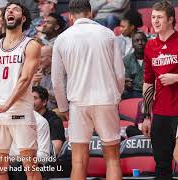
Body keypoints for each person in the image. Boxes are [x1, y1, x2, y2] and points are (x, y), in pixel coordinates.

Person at [51, 0, 124, 180]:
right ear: (91, 13)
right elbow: (120, 74)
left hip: (78, 103)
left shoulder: (62, 38)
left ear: (70, 16)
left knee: (78, 161)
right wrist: (116, 96)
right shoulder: (107, 33)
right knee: (113, 158)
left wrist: (63, 108)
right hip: (106, 98)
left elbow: (57, 80)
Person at [0, 2, 42, 180]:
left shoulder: (31, 45)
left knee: (30, 167)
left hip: (21, 112)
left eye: (15, 9)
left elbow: (25, 80)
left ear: (23, 18)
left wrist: (7, 105)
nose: (10, 11)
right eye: (8, 9)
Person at [141, 1, 178, 179]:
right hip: (161, 112)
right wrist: (146, 115)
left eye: (160, 17)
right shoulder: (150, 46)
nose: (155, 21)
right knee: (162, 165)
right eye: (153, 17)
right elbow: (148, 82)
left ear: (171, 19)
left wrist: (176, 77)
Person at [0, 111, 51, 180]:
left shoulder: (40, 121)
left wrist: (20, 160)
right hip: (8, 162)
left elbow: (44, 156)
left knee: (21, 166)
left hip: (29, 164)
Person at [32, 85, 65, 154]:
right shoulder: (25, 118)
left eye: (35, 98)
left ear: (44, 102)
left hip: (44, 161)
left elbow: (56, 150)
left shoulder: (54, 121)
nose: (31, 102)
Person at [122, 31, 147, 99]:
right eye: (137, 41)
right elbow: (126, 79)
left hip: (150, 91)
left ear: (147, 43)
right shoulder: (126, 60)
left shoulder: (153, 58)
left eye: (143, 40)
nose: (140, 43)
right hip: (133, 92)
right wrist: (126, 83)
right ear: (132, 44)